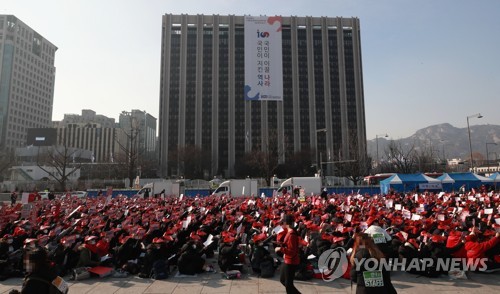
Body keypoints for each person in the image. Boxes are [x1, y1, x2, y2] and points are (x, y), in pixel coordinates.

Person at [275, 214, 301, 294]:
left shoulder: (292, 234)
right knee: (283, 280)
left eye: (282, 222)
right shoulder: (289, 232)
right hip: (286, 259)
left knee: (288, 285)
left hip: (291, 261)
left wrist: (280, 248)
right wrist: (281, 244)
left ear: (285, 222)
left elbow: (292, 251)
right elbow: (288, 245)